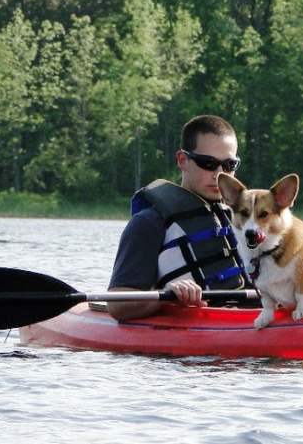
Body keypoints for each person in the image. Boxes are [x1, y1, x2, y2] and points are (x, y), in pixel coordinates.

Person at [107, 115, 252, 321]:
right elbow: (117, 305)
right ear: (183, 160)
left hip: (249, 317)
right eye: (208, 163)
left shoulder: (248, 220)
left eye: (229, 165)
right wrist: (167, 296)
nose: (219, 174)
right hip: (198, 328)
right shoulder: (149, 223)